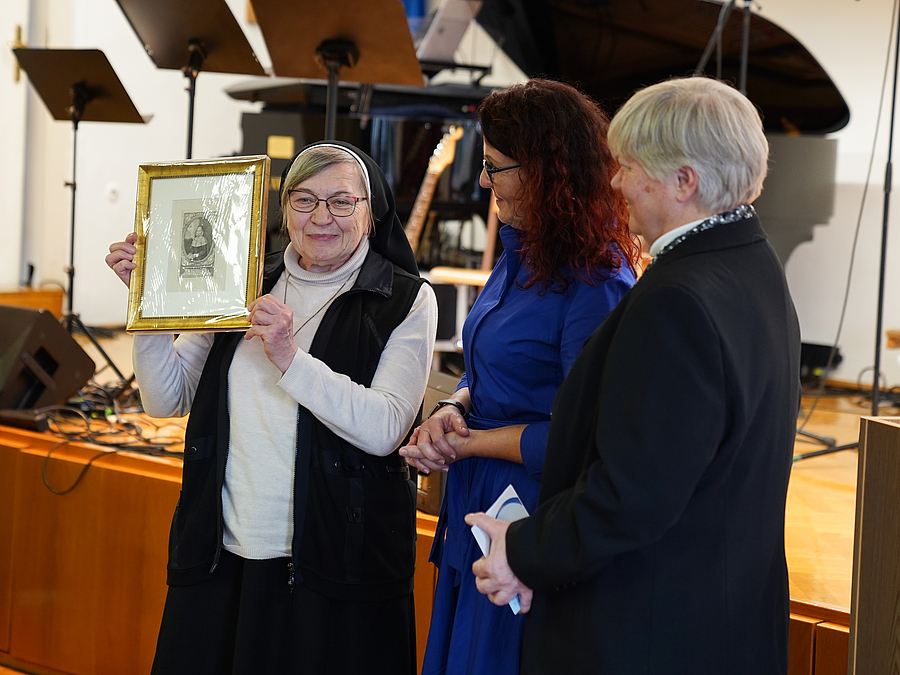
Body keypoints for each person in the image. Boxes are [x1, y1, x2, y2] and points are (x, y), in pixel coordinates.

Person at [467, 76, 801, 675]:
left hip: (651, 630)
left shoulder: (678, 300)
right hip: (722, 612)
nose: (614, 182)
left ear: (684, 181)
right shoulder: (752, 262)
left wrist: (523, 550)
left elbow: (633, 495)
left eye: (628, 166)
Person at [106, 141, 438, 675]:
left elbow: (384, 428)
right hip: (223, 549)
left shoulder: (405, 299)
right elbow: (166, 400)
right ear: (283, 210)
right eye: (304, 200)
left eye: (341, 202)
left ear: (372, 213)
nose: (321, 217)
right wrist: (144, 305)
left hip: (331, 559)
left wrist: (290, 357)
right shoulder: (239, 282)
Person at [400, 78, 640, 675]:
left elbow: (584, 434)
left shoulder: (597, 279)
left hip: (531, 511)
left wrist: (470, 441)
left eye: (494, 167)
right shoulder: (519, 249)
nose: (483, 180)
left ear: (545, 171)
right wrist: (453, 406)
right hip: (475, 496)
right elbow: (489, 372)